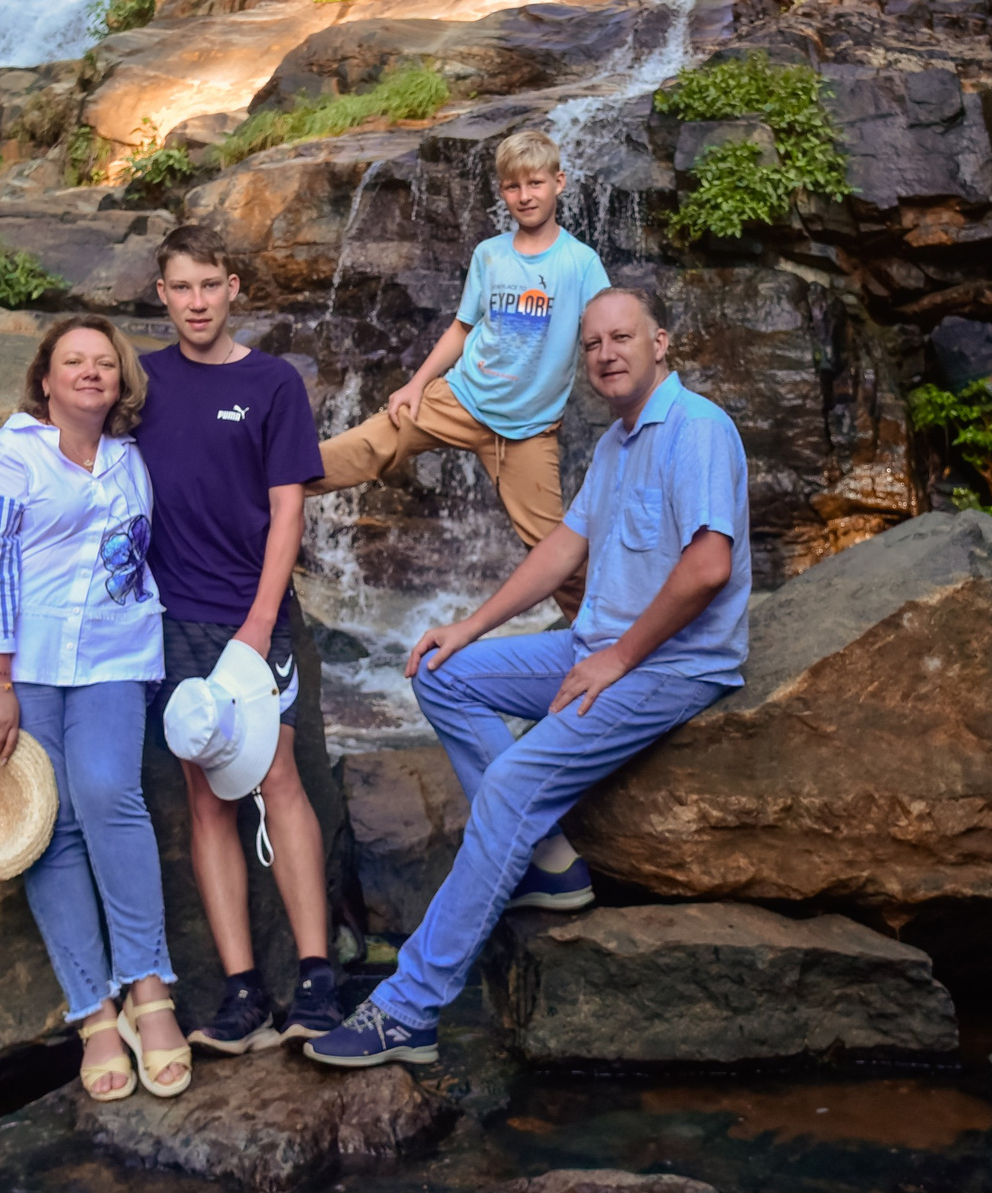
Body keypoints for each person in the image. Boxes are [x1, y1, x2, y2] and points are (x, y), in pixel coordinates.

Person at [304, 287, 752, 1068]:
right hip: (592, 644)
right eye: (593, 344)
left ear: (661, 343)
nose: (607, 353)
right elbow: (561, 550)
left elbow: (708, 566)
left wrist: (617, 658)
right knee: (442, 671)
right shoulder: (616, 444)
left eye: (622, 338)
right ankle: (547, 857)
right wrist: (470, 625)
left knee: (511, 782)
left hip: (671, 663)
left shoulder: (699, 429)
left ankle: (409, 1008)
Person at [0, 317, 192, 1101]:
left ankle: (149, 989)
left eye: (103, 362)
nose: (90, 372)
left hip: (114, 656)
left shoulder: (128, 461)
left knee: (111, 792)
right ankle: (93, 1009)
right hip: (26, 666)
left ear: (120, 381)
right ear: (44, 379)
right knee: (51, 823)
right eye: (72, 362)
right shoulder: (8, 456)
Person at [132, 223, 345, 1053]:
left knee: (279, 779)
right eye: (181, 287)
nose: (196, 301)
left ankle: (317, 974)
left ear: (233, 288)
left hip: (250, 617)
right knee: (203, 797)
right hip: (169, 622)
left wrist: (260, 626)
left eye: (210, 285)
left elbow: (289, 509)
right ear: (162, 293)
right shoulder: (139, 384)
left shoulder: (272, 383)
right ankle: (242, 987)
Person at [312, 127, 610, 616]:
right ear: (502, 192)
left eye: (535, 183)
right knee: (368, 444)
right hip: (460, 399)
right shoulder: (489, 255)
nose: (525, 195)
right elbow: (461, 330)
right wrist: (415, 386)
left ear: (559, 182)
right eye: (513, 187)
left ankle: (602, 636)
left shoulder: (581, 264)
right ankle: (272, 479)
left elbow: (603, 326)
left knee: (560, 553)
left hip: (526, 431)